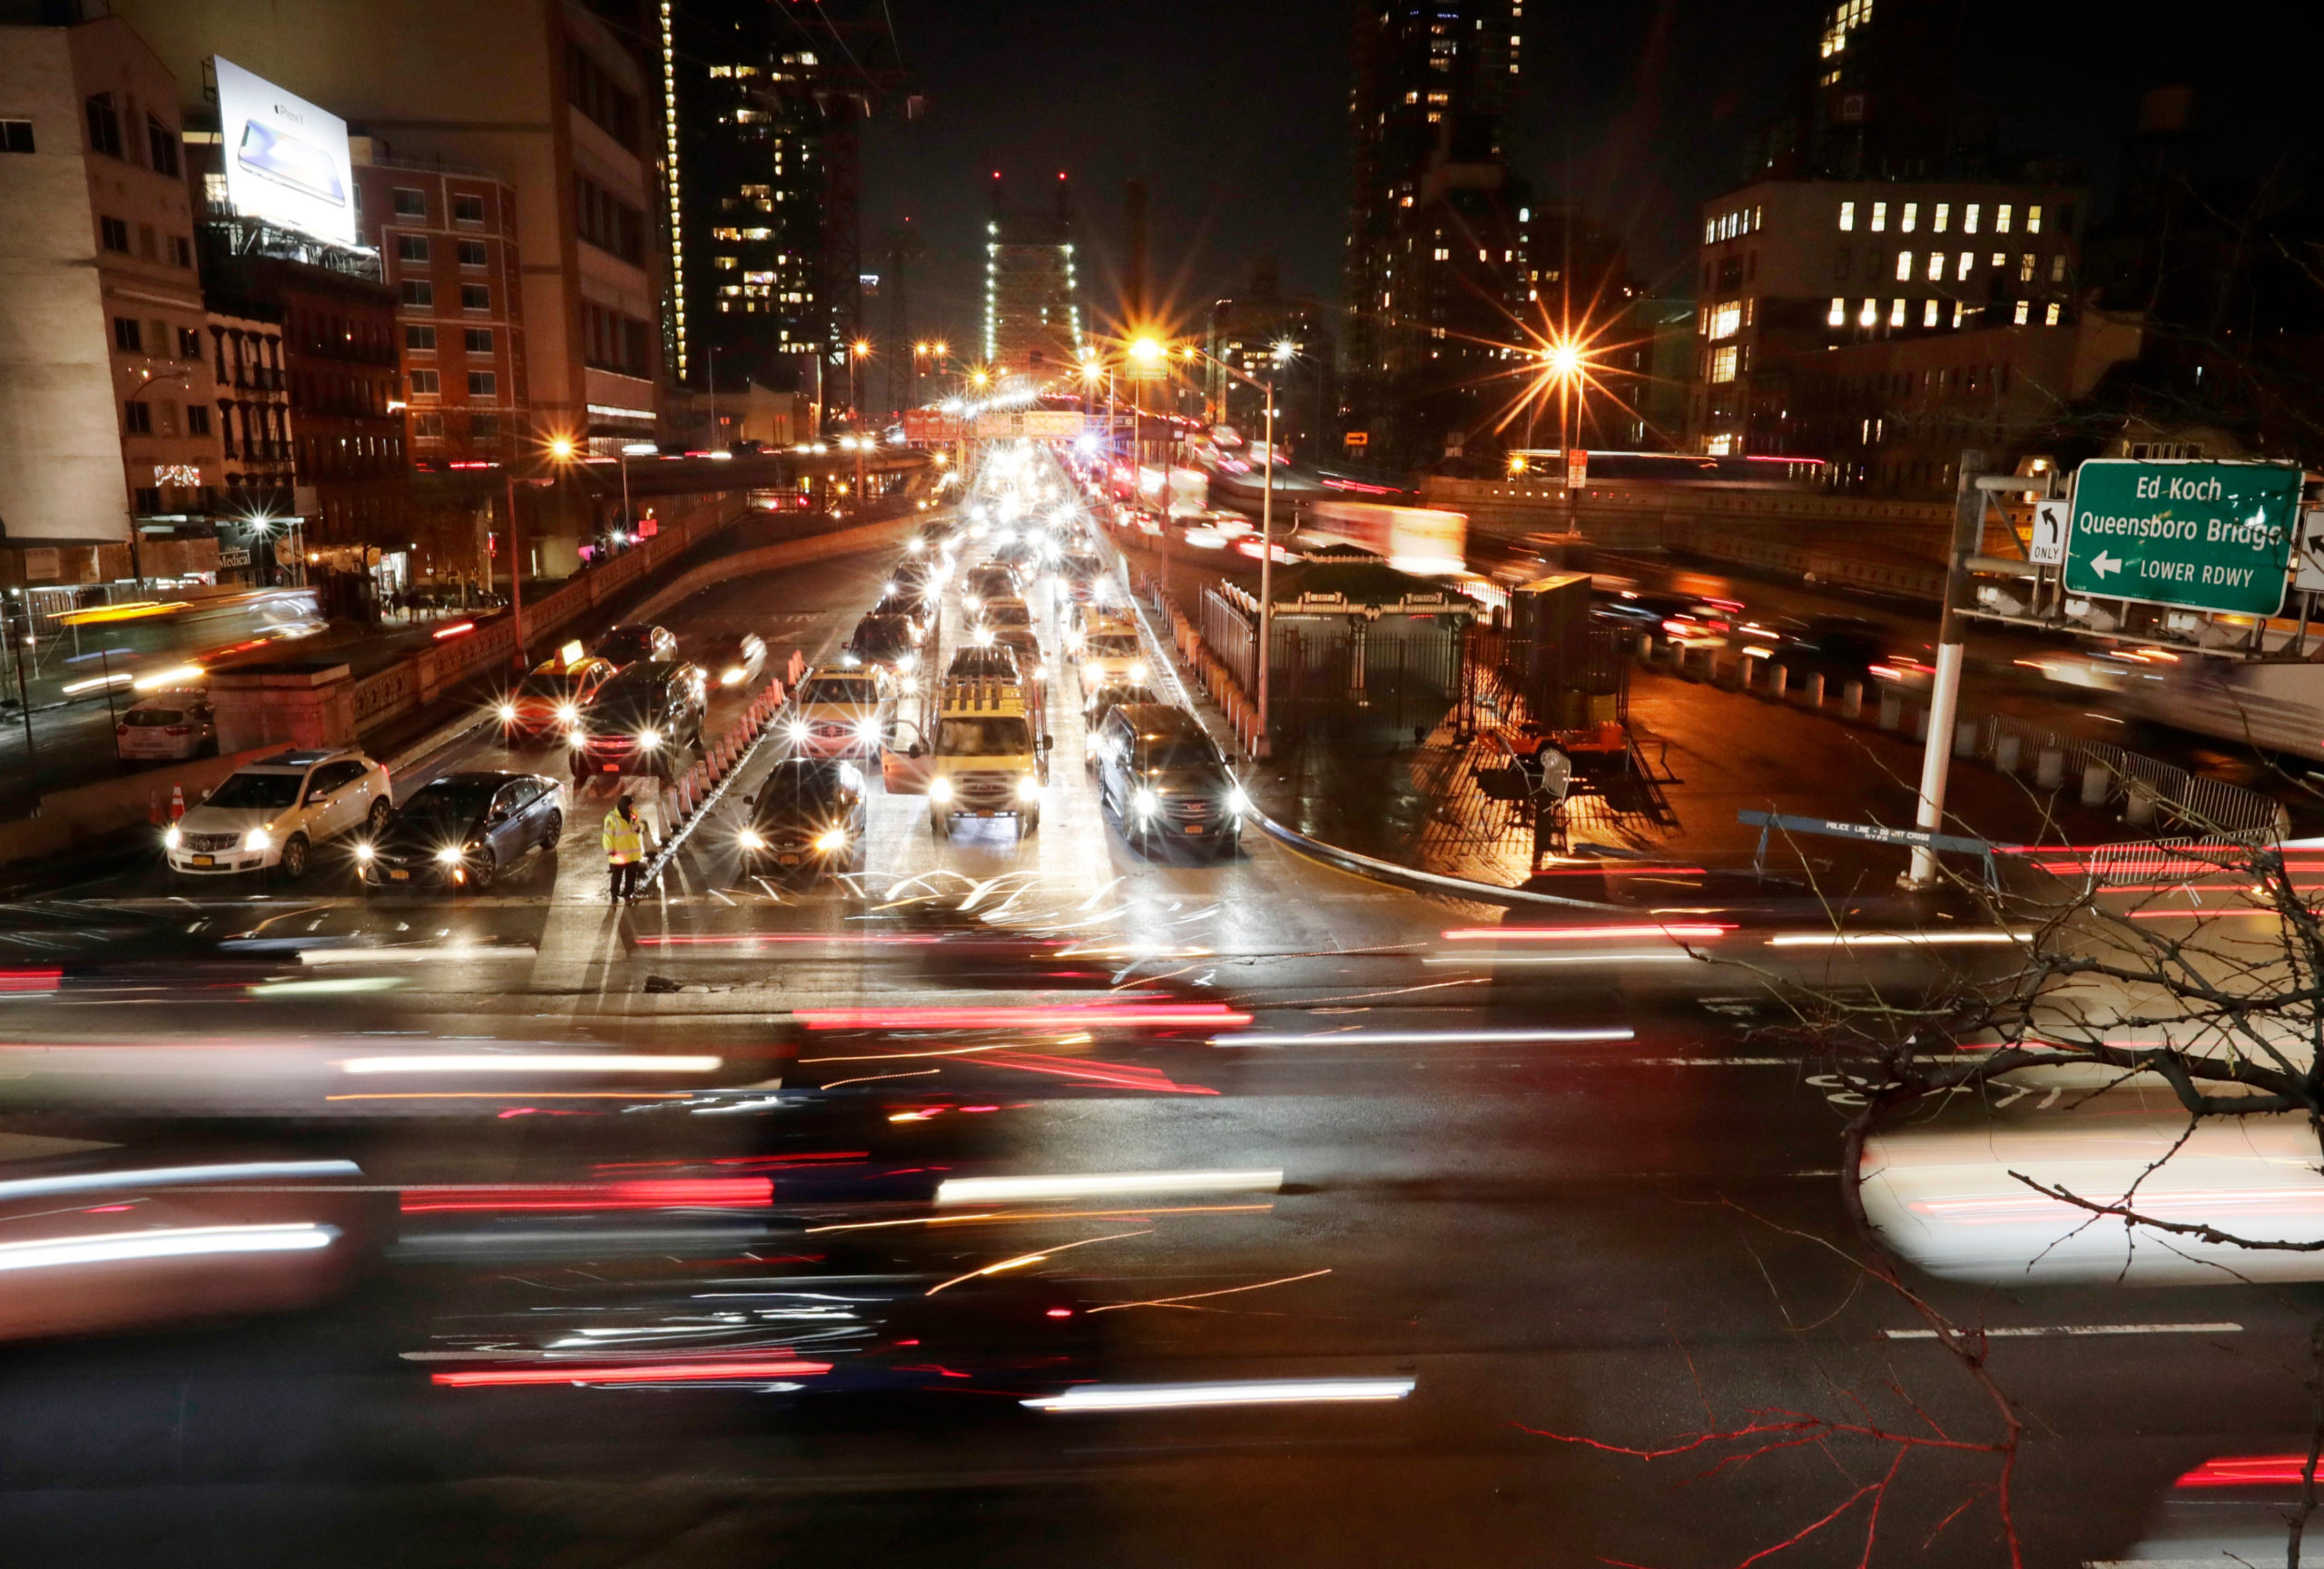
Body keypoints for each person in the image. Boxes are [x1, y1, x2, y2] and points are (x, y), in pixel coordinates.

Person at [601, 793, 653, 903]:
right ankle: (614, 895)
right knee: (617, 876)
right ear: (624, 805)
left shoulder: (633, 815)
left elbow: (642, 825)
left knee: (631, 876)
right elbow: (607, 836)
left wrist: (639, 828)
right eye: (630, 805)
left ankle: (628, 893)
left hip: (633, 854)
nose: (632, 807)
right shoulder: (612, 818)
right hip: (619, 854)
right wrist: (610, 850)